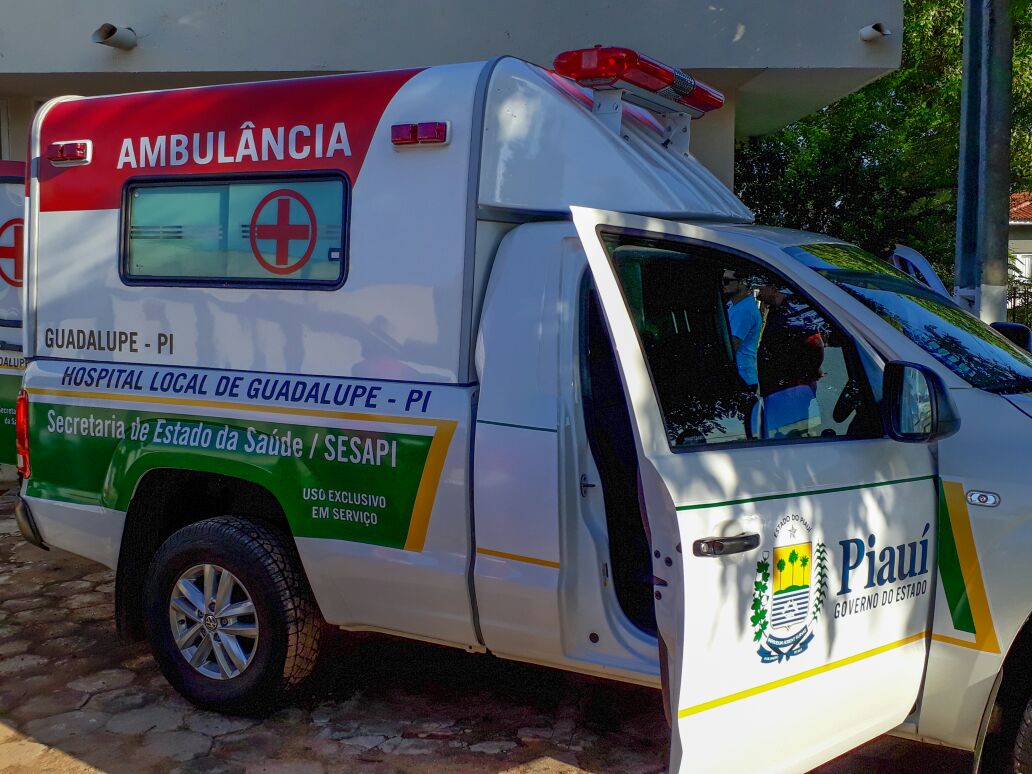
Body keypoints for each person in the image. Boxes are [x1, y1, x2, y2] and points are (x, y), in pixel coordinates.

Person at [722, 269, 761, 391]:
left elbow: (732, 345)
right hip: (741, 376)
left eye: (727, 281)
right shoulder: (734, 305)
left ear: (742, 283)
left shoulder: (744, 310)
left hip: (741, 378)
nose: (723, 284)